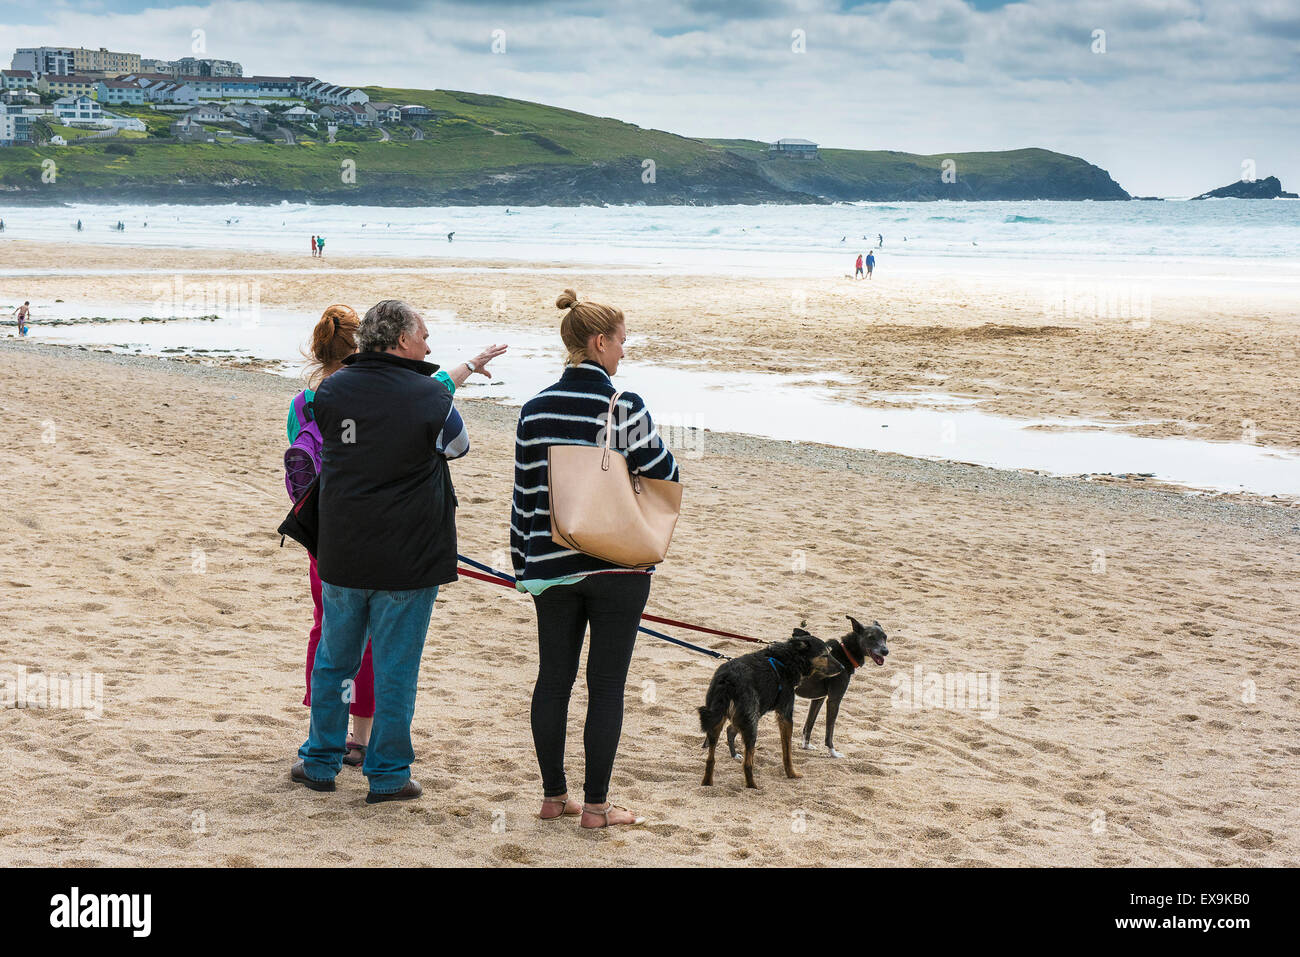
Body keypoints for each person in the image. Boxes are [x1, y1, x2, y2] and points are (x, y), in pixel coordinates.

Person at [289, 306, 506, 771]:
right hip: (408, 556)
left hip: (342, 547)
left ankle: (320, 761)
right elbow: (457, 447)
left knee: (334, 662)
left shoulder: (329, 390)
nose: (429, 347)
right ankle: (386, 773)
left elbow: (338, 442)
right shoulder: (429, 396)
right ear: (403, 340)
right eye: (425, 336)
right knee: (395, 670)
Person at [512, 289, 680, 829]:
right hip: (618, 566)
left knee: (553, 680)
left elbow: (525, 497)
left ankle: (554, 798)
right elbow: (664, 471)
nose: (624, 353)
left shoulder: (534, 409)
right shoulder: (625, 406)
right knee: (606, 685)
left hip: (550, 567)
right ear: (599, 342)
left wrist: (524, 563)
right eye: (622, 342)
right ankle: (599, 808)